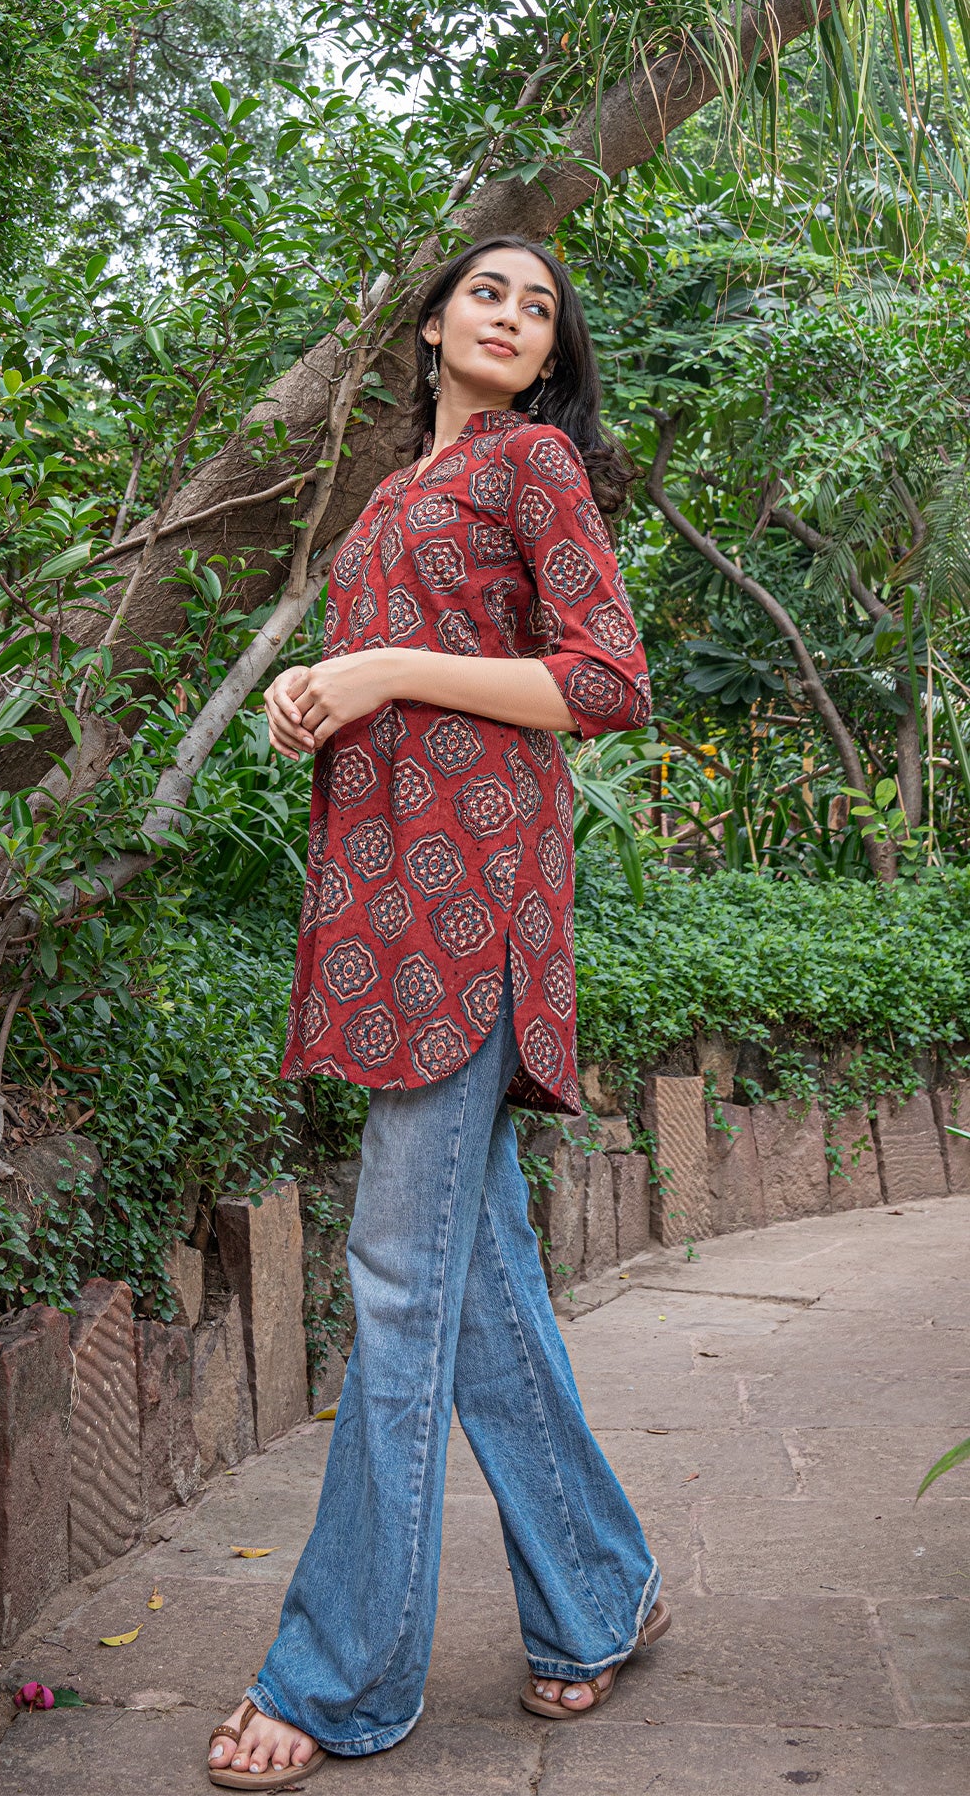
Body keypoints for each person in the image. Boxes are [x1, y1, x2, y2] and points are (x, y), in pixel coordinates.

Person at [207, 236, 668, 1789]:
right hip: (383, 903)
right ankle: (598, 1595)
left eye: (540, 309)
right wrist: (309, 695)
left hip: (471, 905)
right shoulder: (397, 493)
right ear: (430, 323)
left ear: (547, 357)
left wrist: (384, 663)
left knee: (400, 1287)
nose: (514, 316)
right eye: (490, 291)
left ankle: (340, 1677)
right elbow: (388, 677)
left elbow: (607, 678)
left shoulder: (537, 466)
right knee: (479, 1289)